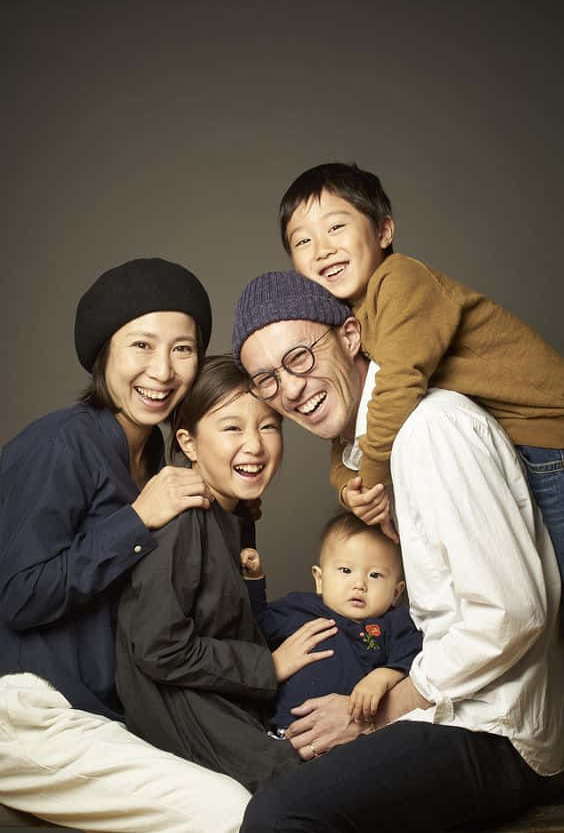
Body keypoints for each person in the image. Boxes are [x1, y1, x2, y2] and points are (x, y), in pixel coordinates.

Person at [231, 270, 564, 832]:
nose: (288, 389)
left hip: (495, 731)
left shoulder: (431, 429)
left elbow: (512, 614)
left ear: (351, 336)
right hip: (451, 713)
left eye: (300, 358)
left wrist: (376, 714)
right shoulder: (374, 456)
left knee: (277, 817)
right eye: (265, 379)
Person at [0, 258, 251, 833]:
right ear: (103, 355)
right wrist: (137, 520)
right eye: (141, 345)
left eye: (183, 349)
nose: (162, 371)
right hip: (30, 709)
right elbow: (17, 594)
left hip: (106, 714)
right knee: (232, 813)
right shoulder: (62, 443)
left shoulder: (158, 462)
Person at [278, 162, 564, 577]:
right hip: (507, 449)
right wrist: (349, 489)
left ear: (383, 231)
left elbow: (398, 383)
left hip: (547, 439)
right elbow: (350, 429)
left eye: (336, 227)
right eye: (302, 241)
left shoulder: (401, 281)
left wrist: (374, 478)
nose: (322, 249)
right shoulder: (346, 322)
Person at [115, 354, 338, 793]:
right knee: (308, 792)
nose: (254, 445)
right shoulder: (182, 515)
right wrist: (268, 667)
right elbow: (159, 648)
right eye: (232, 427)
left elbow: (224, 617)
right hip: (180, 708)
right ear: (190, 443)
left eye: (269, 425)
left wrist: (253, 584)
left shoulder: (233, 512)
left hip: (223, 695)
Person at [242, 511, 421, 732]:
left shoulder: (395, 622)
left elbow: (414, 655)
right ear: (320, 579)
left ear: (396, 592)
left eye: (375, 575)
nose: (359, 584)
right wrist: (253, 580)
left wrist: (382, 677)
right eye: (346, 570)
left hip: (349, 737)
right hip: (283, 730)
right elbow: (256, 624)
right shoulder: (300, 607)